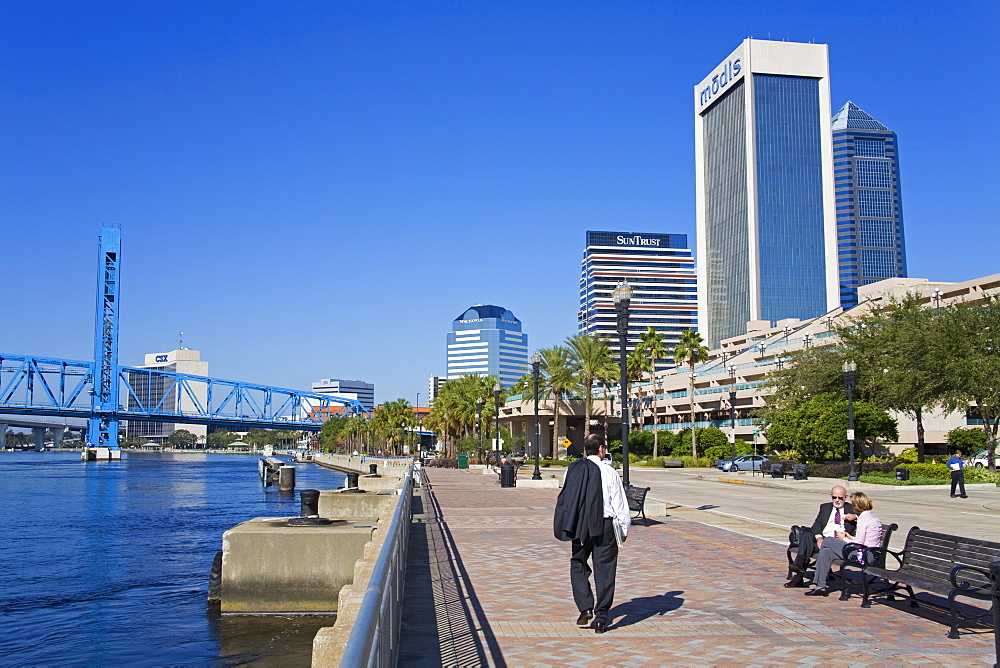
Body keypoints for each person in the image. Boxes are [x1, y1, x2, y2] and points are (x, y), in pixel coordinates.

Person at [552, 434, 630, 634]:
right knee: (605, 568)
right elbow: (618, 502)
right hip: (604, 525)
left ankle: (585, 606)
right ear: (601, 449)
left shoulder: (573, 470)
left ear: (586, 449)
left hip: (581, 526)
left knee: (578, 562)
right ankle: (601, 617)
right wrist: (623, 528)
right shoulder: (609, 471)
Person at [805, 491, 882, 596]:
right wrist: (850, 537)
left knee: (827, 541)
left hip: (863, 555)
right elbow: (864, 540)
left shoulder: (864, 519)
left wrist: (844, 539)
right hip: (868, 552)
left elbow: (859, 544)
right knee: (826, 552)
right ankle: (820, 586)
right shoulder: (870, 516)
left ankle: (818, 582)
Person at [784, 485, 857, 588]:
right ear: (831, 496)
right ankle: (799, 565)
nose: (837, 500)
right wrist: (819, 538)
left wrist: (855, 516)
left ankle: (798, 574)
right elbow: (816, 526)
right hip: (823, 539)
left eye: (840, 498)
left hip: (837, 543)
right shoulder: (825, 507)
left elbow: (867, 516)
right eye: (834, 497)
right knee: (807, 535)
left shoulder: (851, 509)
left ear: (845, 497)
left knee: (807, 545)